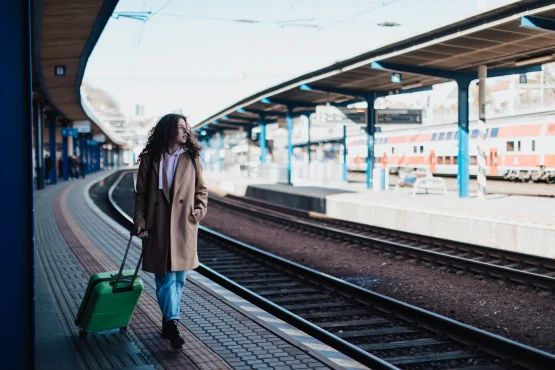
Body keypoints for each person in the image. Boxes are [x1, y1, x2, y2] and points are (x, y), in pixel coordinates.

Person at [133, 113, 208, 350]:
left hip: (184, 225)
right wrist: (140, 220)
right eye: (180, 128)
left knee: (179, 279)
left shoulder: (192, 158)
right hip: (158, 225)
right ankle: (174, 323)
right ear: (168, 131)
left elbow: (201, 190)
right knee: (164, 278)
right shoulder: (150, 158)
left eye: (187, 128)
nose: (186, 132)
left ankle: (167, 321)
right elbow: (141, 195)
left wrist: (198, 212)